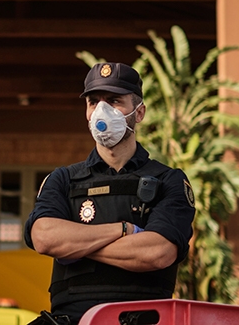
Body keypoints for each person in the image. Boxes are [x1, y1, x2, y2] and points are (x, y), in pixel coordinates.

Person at [24, 62, 195, 324]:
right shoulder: (64, 179)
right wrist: (123, 230)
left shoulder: (168, 180)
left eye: (115, 101)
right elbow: (45, 239)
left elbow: (158, 252)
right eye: (94, 102)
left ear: (139, 113)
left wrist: (73, 247)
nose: (101, 111)